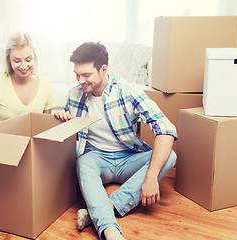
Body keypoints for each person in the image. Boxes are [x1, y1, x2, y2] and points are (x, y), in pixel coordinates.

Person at [54, 42, 177, 240]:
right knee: (83, 162)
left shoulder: (128, 92)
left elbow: (165, 129)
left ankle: (102, 208)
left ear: (103, 70)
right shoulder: (74, 94)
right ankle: (110, 232)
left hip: (128, 159)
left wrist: (152, 176)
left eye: (86, 75)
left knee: (170, 156)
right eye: (77, 74)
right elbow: (69, 131)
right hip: (96, 159)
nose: (80, 80)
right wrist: (60, 117)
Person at [0, 32, 57, 180]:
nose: (23, 66)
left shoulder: (45, 84)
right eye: (17, 60)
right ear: (8, 60)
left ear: (34, 57)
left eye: (28, 59)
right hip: (2, 147)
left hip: (31, 149)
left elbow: (46, 126)